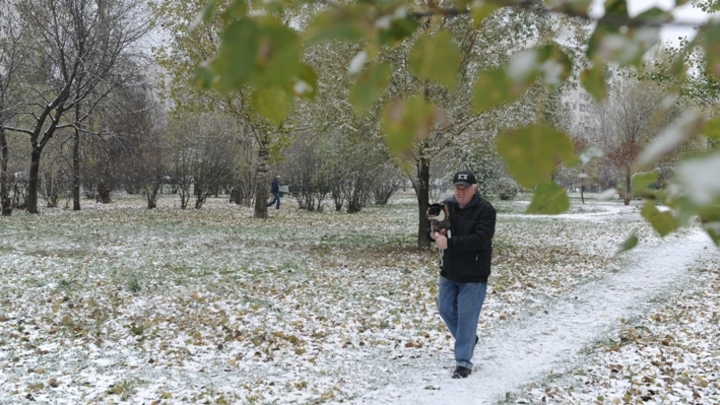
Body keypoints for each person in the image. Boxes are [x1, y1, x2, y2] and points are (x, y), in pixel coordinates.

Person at [427, 170, 496, 379]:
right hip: (449, 271)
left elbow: (480, 239)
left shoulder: (486, 210)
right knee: (445, 309)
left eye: (465, 188)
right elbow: (429, 228)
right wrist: (432, 234)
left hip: (474, 274)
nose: (461, 192)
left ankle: (463, 362)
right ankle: (467, 339)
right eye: (457, 188)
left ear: (475, 188)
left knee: (467, 317)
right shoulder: (445, 206)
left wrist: (450, 242)